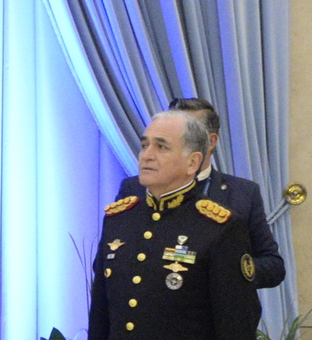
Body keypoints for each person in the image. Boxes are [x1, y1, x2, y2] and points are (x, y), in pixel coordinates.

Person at [82, 109, 259, 340]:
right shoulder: (120, 217)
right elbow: (102, 312)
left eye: (161, 147)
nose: (147, 154)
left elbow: (237, 325)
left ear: (193, 161)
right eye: (145, 144)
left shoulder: (219, 227)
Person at [112, 96, 286, 290]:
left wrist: (225, 271)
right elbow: (111, 257)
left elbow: (273, 266)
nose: (148, 155)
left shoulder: (242, 193)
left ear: (210, 142)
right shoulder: (134, 189)